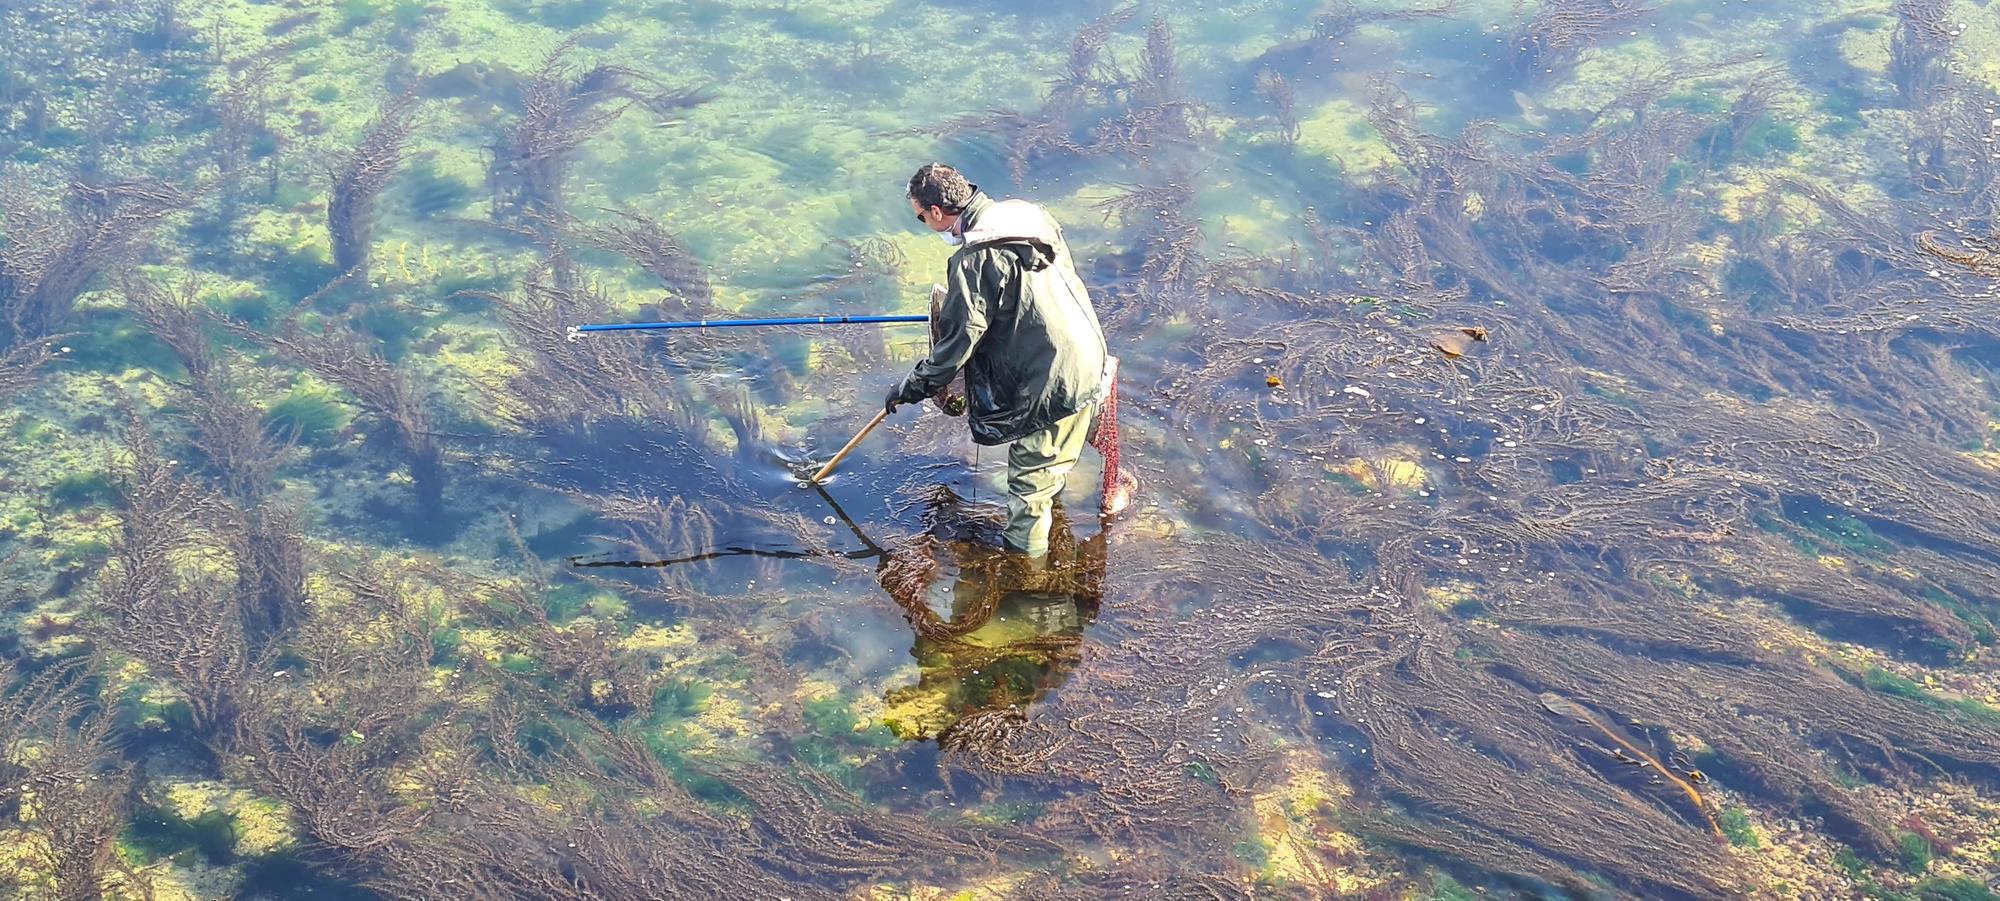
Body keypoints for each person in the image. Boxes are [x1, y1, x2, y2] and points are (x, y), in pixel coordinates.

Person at [885, 163, 1134, 558]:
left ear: (936, 212)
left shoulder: (972, 260)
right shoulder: (1029, 216)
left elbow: (956, 345)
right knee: (1054, 463)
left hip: (1053, 379)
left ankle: (1026, 588)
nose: (923, 222)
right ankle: (1057, 518)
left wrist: (910, 387)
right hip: (1091, 355)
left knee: (1029, 490)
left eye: (919, 216)